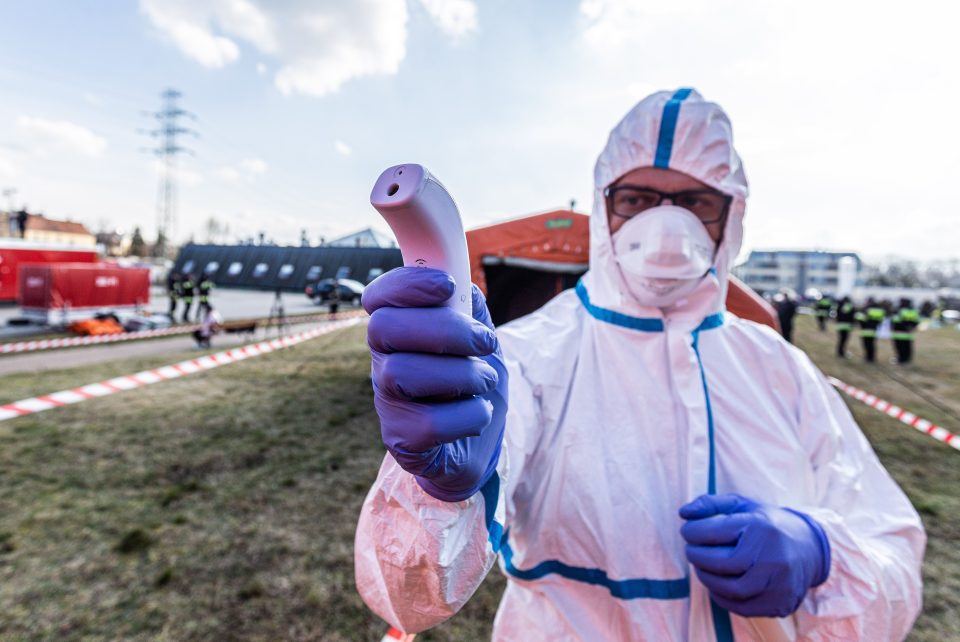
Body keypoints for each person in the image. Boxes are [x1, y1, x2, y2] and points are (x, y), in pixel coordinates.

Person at [355, 89, 924, 640]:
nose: (666, 226)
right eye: (637, 199)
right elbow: (405, 597)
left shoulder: (780, 367)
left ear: (732, 218)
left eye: (697, 201)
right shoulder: (528, 358)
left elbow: (892, 547)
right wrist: (440, 490)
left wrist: (821, 552)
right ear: (604, 208)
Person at [891, 298, 920, 364]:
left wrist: (892, 326)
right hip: (908, 333)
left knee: (900, 347)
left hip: (899, 332)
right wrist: (911, 327)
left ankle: (900, 359)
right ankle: (907, 359)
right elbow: (917, 320)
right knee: (907, 347)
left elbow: (895, 320)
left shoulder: (899, 310)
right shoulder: (913, 310)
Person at [856, 298, 885, 363]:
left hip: (865, 330)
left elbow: (859, 318)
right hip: (874, 329)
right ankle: (872, 358)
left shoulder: (865, 309)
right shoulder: (879, 310)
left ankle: (867, 357)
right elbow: (881, 320)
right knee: (872, 344)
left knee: (866, 344)